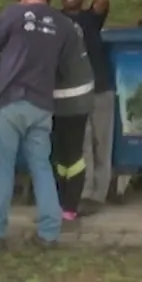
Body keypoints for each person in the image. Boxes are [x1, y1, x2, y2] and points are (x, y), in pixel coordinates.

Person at [0, 0, 73, 249]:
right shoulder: (62, 23)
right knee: (41, 167)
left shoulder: (13, 14)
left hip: (9, 101)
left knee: (2, 168)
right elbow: (63, 64)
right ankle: (50, 231)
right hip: (41, 103)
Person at [60, 0, 114, 210]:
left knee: (102, 143)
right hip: (74, 92)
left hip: (100, 87)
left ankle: (98, 197)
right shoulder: (56, 20)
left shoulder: (90, 18)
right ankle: (84, 192)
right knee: (82, 145)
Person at [52, 18, 96, 221]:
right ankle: (65, 206)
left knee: (70, 153)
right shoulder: (68, 25)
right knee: (65, 153)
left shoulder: (51, 27)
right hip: (71, 95)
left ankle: (68, 207)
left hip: (69, 97)